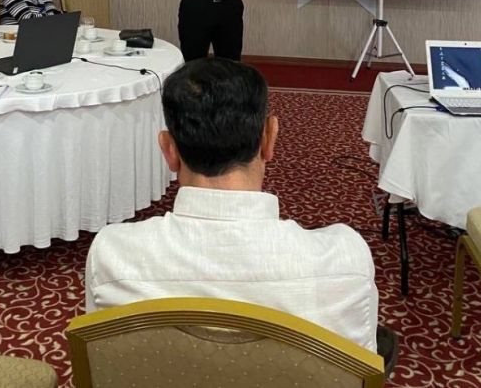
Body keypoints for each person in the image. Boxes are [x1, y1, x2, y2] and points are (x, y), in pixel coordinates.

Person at [85, 57, 381, 356]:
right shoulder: (346, 259)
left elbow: (103, 363)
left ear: (169, 150)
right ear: (269, 139)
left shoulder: (113, 254)